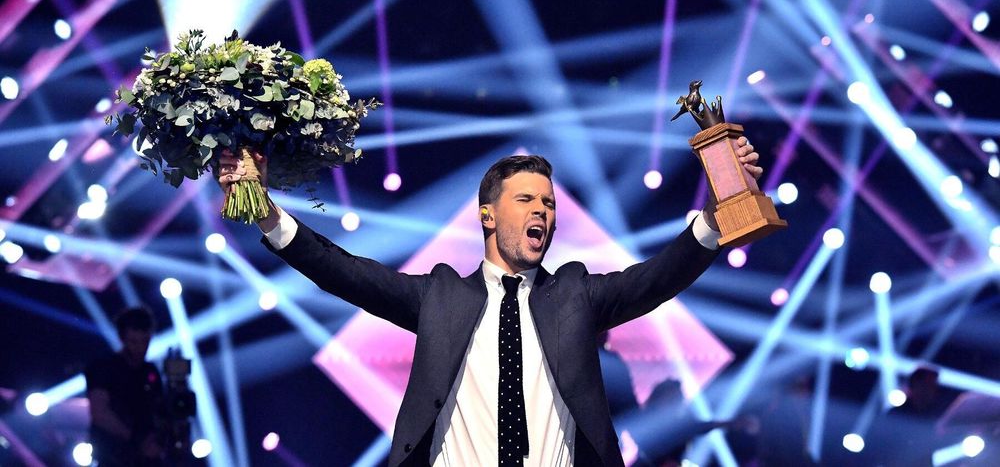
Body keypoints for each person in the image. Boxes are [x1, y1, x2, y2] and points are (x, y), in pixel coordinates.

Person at [216, 139, 762, 466]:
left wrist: (717, 217)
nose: (542, 211)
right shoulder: (439, 295)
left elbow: (657, 278)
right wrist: (265, 213)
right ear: (487, 215)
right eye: (526, 199)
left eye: (548, 203)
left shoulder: (575, 293)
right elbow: (343, 272)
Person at [84, 306, 164, 466]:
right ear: (122, 339)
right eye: (134, 342)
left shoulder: (150, 371)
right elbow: (99, 413)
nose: (140, 348)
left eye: (145, 341)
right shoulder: (104, 367)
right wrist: (136, 439)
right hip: (113, 457)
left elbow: (159, 410)